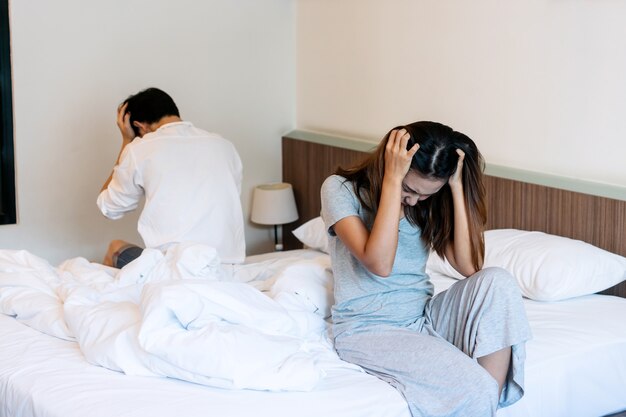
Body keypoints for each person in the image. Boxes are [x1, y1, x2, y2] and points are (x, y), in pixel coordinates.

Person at [320, 121, 531, 417]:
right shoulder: (340, 189)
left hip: (423, 319)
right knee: (475, 387)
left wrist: (455, 188)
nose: (414, 200)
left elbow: (470, 266)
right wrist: (393, 184)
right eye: (409, 188)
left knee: (497, 281)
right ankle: (481, 398)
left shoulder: (425, 203)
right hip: (368, 329)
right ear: (391, 163)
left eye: (426, 194)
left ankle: (485, 404)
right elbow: (379, 263)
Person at [97, 87, 245, 268]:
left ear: (139, 126)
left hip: (174, 269)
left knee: (115, 247)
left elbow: (109, 208)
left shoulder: (140, 148)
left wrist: (126, 142)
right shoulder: (224, 146)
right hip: (227, 268)